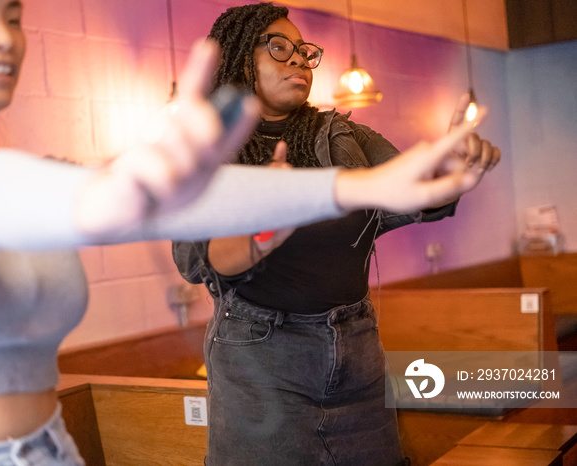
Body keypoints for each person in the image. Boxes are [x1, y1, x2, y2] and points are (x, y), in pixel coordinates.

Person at [0, 0, 490, 464]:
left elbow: (181, 200)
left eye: (12, 16)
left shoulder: (40, 176)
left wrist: (368, 187)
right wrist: (143, 183)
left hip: (49, 448)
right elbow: (40, 196)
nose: (2, 37)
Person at [172, 3, 502, 465]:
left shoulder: (346, 135)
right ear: (238, 59)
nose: (297, 60)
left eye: (304, 51)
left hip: (357, 347)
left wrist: (450, 164)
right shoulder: (210, 148)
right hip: (263, 358)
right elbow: (201, 260)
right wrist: (267, 227)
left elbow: (416, 191)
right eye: (278, 47)